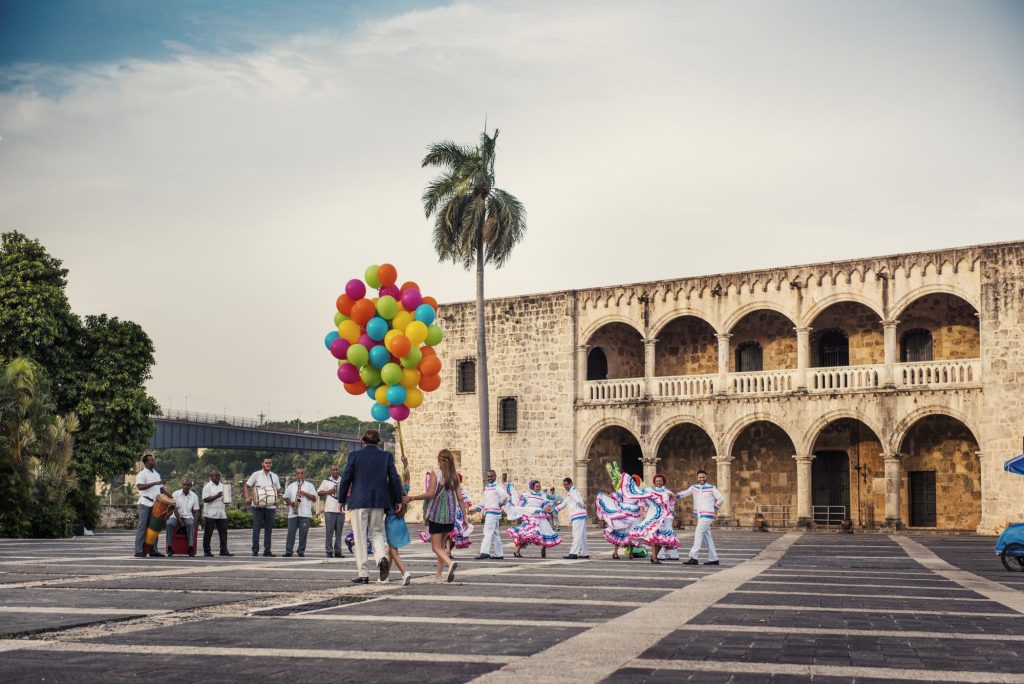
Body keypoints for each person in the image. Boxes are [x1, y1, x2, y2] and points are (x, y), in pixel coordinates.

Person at [338, 429, 404, 584]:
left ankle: (363, 573)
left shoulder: (354, 456)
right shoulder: (386, 456)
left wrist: (341, 500)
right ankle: (381, 558)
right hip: (379, 501)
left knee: (360, 536)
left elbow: (346, 479)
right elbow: (394, 478)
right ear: (378, 441)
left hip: (359, 500)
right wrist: (398, 499)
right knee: (376, 532)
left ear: (363, 441)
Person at [405, 449, 468, 583]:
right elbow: (460, 499)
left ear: (440, 460)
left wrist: (412, 497)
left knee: (435, 547)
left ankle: (450, 563)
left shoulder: (436, 473)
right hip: (450, 517)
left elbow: (430, 494)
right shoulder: (455, 476)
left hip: (437, 515)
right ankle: (439, 575)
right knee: (441, 545)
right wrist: (465, 518)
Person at [626, 473, 679, 564]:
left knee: (661, 539)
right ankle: (654, 558)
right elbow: (642, 500)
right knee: (655, 538)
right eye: (657, 481)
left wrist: (671, 498)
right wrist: (642, 513)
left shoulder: (667, 492)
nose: (658, 482)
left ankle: (654, 556)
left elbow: (670, 504)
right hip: (653, 516)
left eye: (660, 481)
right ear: (654, 482)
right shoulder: (649, 491)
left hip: (664, 517)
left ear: (663, 482)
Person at [676, 469, 725, 565]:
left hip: (707, 516)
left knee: (698, 534)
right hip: (700, 515)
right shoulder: (694, 487)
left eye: (703, 477)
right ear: (697, 478)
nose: (702, 479)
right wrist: (675, 496)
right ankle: (714, 559)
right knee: (707, 537)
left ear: (706, 477)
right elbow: (685, 493)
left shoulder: (711, 488)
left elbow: (721, 499)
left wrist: (714, 507)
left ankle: (693, 557)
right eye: (700, 477)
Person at [507, 480, 561, 558]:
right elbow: (518, 498)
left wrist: (548, 509)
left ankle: (543, 549)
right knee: (525, 533)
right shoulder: (527, 494)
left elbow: (546, 503)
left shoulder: (543, 495)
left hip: (540, 515)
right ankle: (517, 551)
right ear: (533, 487)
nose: (538, 488)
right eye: (537, 486)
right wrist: (511, 490)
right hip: (531, 516)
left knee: (545, 531)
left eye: (539, 486)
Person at [384, 450, 413, 586]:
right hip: (401, 522)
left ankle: (404, 573)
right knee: (390, 550)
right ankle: (384, 577)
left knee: (393, 551)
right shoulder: (403, 492)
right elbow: (407, 478)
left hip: (391, 522)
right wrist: (405, 464)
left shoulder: (388, 494)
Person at [244, 457, 281, 557]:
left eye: (270, 463)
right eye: (266, 463)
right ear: (262, 464)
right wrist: (247, 497)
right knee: (256, 529)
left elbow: (278, 490)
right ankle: (255, 550)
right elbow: (247, 486)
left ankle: (267, 550)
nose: (268, 464)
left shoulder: (275, 476)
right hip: (257, 506)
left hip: (270, 507)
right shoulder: (256, 474)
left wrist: (274, 494)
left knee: (269, 529)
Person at [134, 453, 168, 558]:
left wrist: (170, 497)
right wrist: (155, 483)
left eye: (153, 460)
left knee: (154, 528)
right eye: (151, 460)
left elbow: (161, 489)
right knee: (142, 528)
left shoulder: (157, 474)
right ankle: (138, 550)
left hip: (156, 504)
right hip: (145, 503)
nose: (153, 461)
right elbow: (140, 487)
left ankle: (153, 550)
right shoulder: (142, 474)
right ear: (145, 463)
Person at [473, 469, 509, 560]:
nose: (489, 478)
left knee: (487, 532)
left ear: (495, 476)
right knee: (495, 533)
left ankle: (485, 552)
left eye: (491, 476)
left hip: (493, 513)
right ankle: (499, 554)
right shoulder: (488, 487)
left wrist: (501, 503)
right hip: (491, 512)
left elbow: (504, 495)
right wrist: (478, 508)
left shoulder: (497, 486)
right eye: (488, 476)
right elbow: (484, 499)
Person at [284, 468, 317, 557]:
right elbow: (285, 497)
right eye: (298, 473)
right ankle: (288, 551)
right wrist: (291, 504)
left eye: (302, 473)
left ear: (304, 474)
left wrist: (305, 493)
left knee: (303, 534)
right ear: (295, 475)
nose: (300, 475)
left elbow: (314, 498)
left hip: (305, 513)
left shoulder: (310, 485)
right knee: (291, 533)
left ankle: (301, 551)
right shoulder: (291, 486)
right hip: (293, 514)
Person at [165, 478, 200, 557]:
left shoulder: (194, 496)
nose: (186, 486)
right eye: (184, 485)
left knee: (191, 524)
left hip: (188, 516)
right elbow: (174, 508)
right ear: (182, 485)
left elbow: (197, 510)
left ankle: (191, 548)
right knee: (169, 524)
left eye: (188, 485)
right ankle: (169, 547)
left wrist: (195, 522)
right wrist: (180, 521)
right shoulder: (176, 494)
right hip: (176, 516)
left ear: (190, 486)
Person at [201, 469, 231, 557]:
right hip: (210, 513)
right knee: (208, 533)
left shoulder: (223, 486)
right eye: (215, 476)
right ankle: (207, 551)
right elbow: (205, 499)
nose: (217, 477)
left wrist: (227, 500)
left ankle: (223, 550)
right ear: (211, 477)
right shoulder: (207, 486)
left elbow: (226, 499)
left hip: (221, 513)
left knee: (223, 533)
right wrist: (217, 496)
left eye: (218, 476)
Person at [558, 477, 589, 560]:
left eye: (566, 485)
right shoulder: (571, 491)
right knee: (582, 535)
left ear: (571, 483)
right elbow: (565, 503)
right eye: (564, 485)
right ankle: (585, 553)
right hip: (580, 515)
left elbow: (578, 500)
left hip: (577, 515)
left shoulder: (572, 492)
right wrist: (555, 509)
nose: (565, 487)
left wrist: (582, 505)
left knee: (576, 535)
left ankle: (573, 553)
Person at [318, 463, 345, 558]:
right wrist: (328, 491)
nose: (335, 471)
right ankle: (329, 551)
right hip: (329, 509)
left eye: (337, 470)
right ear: (331, 471)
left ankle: (338, 551)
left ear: (339, 470)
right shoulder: (326, 481)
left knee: (339, 532)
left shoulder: (343, 480)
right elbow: (319, 492)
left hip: (340, 510)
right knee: (329, 532)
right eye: (333, 470)